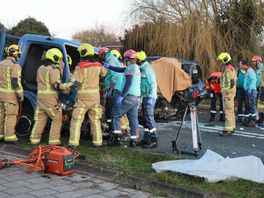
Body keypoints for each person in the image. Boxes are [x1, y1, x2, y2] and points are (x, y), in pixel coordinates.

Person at [58, 43, 107, 147]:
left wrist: (61, 86)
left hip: (83, 99)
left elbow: (75, 84)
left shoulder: (80, 66)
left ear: (83, 53)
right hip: (95, 98)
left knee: (76, 120)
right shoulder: (98, 65)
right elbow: (104, 74)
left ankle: (73, 143)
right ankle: (98, 143)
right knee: (95, 120)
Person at [103, 50, 141, 147]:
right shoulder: (135, 67)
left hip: (128, 96)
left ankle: (117, 138)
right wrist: (109, 66)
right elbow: (121, 70)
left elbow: (128, 83)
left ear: (128, 59)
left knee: (115, 114)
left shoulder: (130, 68)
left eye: (125, 59)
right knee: (133, 119)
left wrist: (121, 96)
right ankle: (134, 140)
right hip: (136, 98)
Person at [30, 48, 63, 145]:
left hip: (40, 97)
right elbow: (55, 84)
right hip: (50, 98)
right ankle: (54, 141)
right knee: (57, 117)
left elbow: (37, 81)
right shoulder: (54, 69)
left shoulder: (40, 68)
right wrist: (65, 87)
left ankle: (34, 140)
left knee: (40, 119)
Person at [98, 47, 129, 139]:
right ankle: (114, 129)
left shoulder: (111, 60)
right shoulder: (111, 59)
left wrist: (110, 89)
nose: (101, 58)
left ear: (103, 55)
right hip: (115, 88)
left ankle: (117, 132)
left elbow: (115, 76)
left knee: (114, 110)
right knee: (110, 110)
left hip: (115, 89)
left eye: (101, 56)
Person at [0, 44, 23, 144]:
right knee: (11, 116)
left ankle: (0, 135)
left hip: (0, 95)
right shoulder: (15, 65)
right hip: (10, 97)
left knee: (1, 115)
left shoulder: (1, 63)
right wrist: (21, 95)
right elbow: (15, 82)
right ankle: (9, 137)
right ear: (16, 54)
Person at [136, 50, 158, 148]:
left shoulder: (147, 69)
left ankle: (154, 140)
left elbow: (152, 84)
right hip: (146, 96)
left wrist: (150, 96)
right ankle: (146, 139)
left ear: (140, 60)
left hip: (149, 97)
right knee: (145, 119)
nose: (135, 61)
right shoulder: (143, 68)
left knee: (149, 118)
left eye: (136, 59)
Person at [217, 52, 237, 135]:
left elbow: (231, 84)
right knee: (231, 110)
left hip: (228, 94)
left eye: (220, 61)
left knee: (228, 110)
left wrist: (223, 90)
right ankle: (232, 126)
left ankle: (228, 128)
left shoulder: (228, 70)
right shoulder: (230, 69)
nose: (219, 63)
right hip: (230, 93)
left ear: (225, 61)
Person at [240, 60, 257, 127]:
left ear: (244, 65)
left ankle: (253, 121)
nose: (240, 66)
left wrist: (250, 88)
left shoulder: (250, 71)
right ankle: (250, 120)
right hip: (248, 91)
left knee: (251, 106)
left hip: (251, 91)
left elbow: (254, 79)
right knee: (249, 106)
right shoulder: (248, 71)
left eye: (240, 64)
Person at [252, 56, 264, 126]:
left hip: (261, 88)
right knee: (260, 105)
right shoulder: (258, 69)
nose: (253, 63)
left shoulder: (261, 68)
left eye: (254, 61)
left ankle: (260, 119)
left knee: (261, 104)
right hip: (259, 88)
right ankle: (260, 119)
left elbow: (260, 80)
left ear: (258, 61)